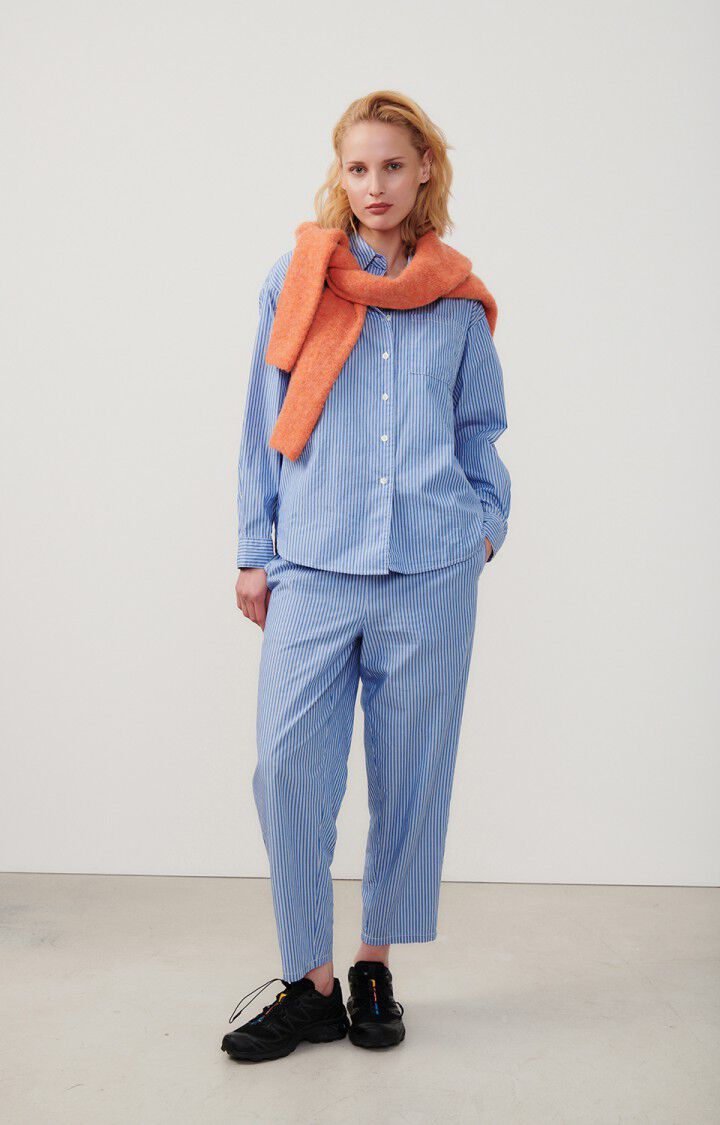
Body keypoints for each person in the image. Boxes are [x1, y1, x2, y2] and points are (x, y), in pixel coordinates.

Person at [222, 89, 511, 1063]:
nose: (375, 184)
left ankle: (374, 966)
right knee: (285, 769)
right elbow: (261, 422)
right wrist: (253, 548)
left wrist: (482, 530)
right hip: (313, 560)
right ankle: (310, 985)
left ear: (425, 169)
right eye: (358, 167)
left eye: (392, 165)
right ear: (339, 174)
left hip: (431, 569)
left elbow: (481, 431)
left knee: (411, 776)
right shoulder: (300, 276)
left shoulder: (457, 298)